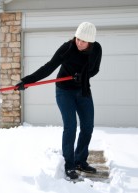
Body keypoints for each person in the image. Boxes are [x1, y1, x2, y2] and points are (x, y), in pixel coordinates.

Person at [15, 22, 102, 180]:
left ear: (91, 42)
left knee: (88, 126)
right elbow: (49, 67)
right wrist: (27, 81)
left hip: (83, 89)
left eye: (83, 41)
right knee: (71, 127)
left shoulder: (97, 49)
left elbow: (95, 69)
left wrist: (83, 75)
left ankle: (80, 160)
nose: (79, 42)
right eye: (77, 38)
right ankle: (69, 165)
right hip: (64, 91)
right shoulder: (68, 48)